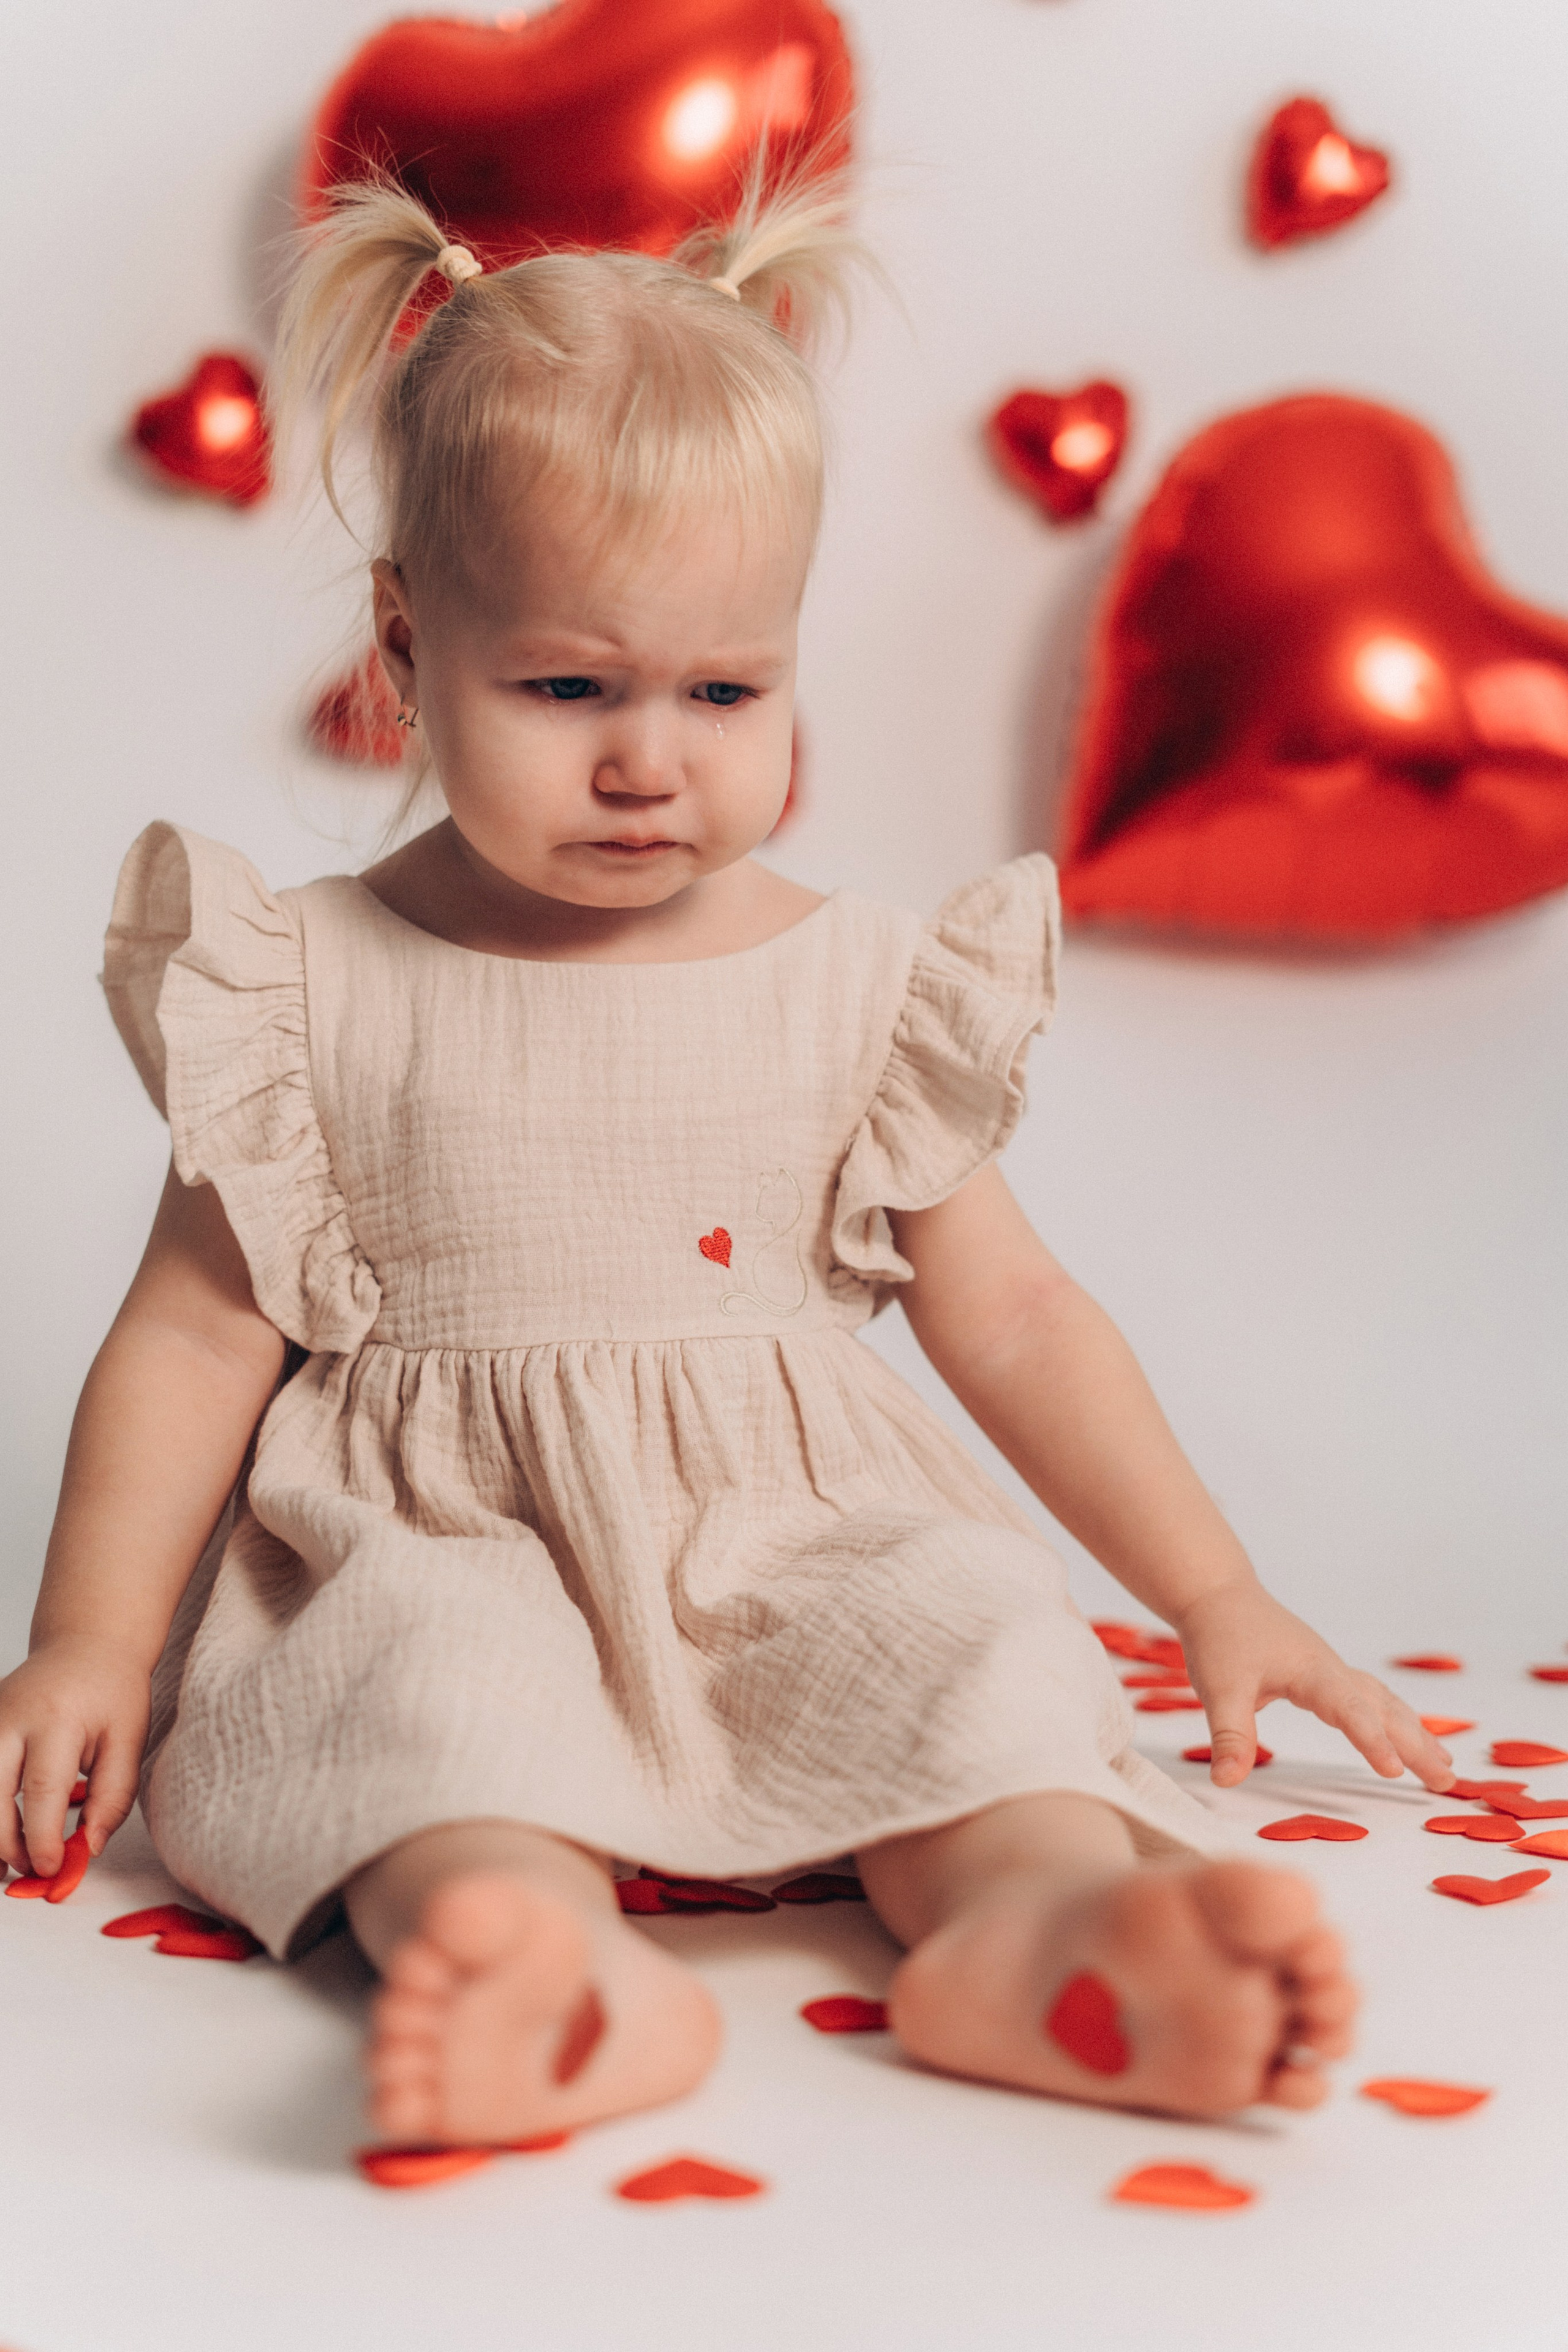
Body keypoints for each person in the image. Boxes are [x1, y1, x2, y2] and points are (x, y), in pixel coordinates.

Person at [0, 170, 1453, 2147]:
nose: (647, 761)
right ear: (407, 645)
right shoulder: (313, 981)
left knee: (967, 1650)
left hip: (790, 1536)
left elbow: (1015, 1313)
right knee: (414, 1700)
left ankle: (1049, 1938)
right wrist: (86, 1640)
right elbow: (188, 1339)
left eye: (724, 691)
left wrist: (1214, 1587)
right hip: (457, 1540)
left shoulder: (853, 984)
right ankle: (529, 1956)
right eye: (568, 687)